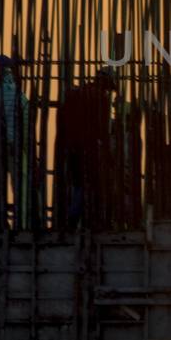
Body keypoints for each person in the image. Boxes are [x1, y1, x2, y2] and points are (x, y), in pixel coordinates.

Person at [55, 67, 119, 230]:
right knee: (88, 184)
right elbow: (103, 131)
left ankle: (70, 217)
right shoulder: (101, 99)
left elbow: (62, 120)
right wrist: (108, 154)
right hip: (88, 148)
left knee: (76, 183)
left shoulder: (74, 93)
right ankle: (76, 217)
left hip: (70, 146)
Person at [0, 54, 32, 228]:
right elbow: (26, 124)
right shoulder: (21, 95)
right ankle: (22, 224)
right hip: (18, 148)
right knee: (21, 189)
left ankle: (0, 223)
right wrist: (25, 147)